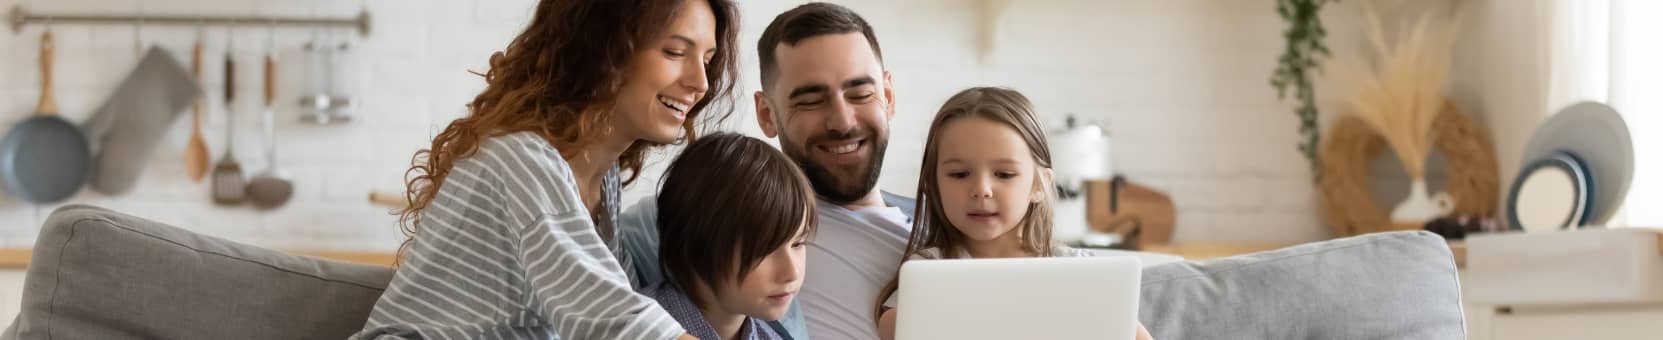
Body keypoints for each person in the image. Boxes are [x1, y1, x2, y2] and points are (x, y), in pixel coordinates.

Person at [352, 0, 741, 338]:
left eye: (707, 61)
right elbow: (613, 319)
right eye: (675, 52)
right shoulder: (522, 161)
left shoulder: (599, 180)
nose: (700, 82)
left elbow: (620, 302)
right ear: (604, 50)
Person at [873, 87, 1154, 340]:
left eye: (1004, 174)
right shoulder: (930, 268)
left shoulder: (1074, 268)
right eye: (959, 174)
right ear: (933, 185)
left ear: (1038, 185)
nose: (982, 189)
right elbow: (891, 326)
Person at [647, 133, 818, 340]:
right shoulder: (633, 327)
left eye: (798, 243)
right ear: (698, 245)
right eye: (764, 250)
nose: (792, 272)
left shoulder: (771, 335)